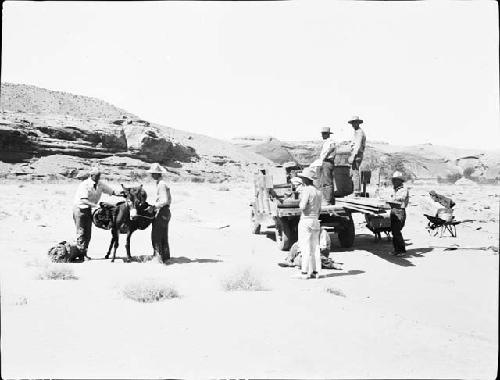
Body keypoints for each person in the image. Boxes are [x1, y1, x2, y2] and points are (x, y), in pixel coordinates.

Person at [73, 166, 120, 260]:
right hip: (80, 209)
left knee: (88, 232)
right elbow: (83, 200)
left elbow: (111, 191)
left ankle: (84, 252)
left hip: (89, 210)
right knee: (81, 232)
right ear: (91, 175)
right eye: (97, 175)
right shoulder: (84, 185)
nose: (98, 177)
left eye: (99, 175)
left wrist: (122, 193)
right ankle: (81, 254)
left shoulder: (100, 184)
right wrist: (96, 206)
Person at [297, 167, 323, 279]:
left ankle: (304, 272)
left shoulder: (307, 190)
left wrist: (300, 202)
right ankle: (316, 271)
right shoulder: (318, 192)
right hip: (316, 220)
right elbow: (320, 209)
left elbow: (302, 206)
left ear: (306, 179)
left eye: (303, 178)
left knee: (305, 246)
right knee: (315, 247)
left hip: (306, 219)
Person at [148, 163, 172, 263]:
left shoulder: (161, 184)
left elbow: (164, 200)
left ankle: (158, 258)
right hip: (165, 211)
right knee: (163, 235)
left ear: (157, 174)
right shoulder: (161, 183)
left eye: (153, 173)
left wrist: (154, 206)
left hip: (162, 211)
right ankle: (165, 257)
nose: (151, 175)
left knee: (156, 235)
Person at [389, 171, 410, 256]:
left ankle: (401, 250)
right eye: (393, 180)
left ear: (400, 181)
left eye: (395, 180)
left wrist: (392, 199)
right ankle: (396, 250)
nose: (393, 182)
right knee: (394, 232)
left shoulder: (403, 189)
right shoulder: (395, 189)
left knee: (397, 232)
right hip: (394, 211)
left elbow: (401, 198)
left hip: (399, 212)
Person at [348, 116, 366, 193]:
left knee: (355, 173)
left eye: (354, 123)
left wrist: (353, 156)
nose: (353, 125)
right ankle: (355, 191)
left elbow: (357, 145)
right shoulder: (357, 132)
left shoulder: (359, 133)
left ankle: (356, 191)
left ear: (358, 123)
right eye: (352, 123)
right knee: (354, 172)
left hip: (357, 154)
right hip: (357, 154)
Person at [318, 126, 336, 205]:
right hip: (325, 162)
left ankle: (328, 200)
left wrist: (326, 155)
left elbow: (332, 147)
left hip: (327, 162)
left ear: (326, 134)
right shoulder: (327, 142)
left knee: (327, 182)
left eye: (323, 134)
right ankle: (327, 199)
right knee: (325, 181)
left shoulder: (330, 141)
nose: (322, 135)